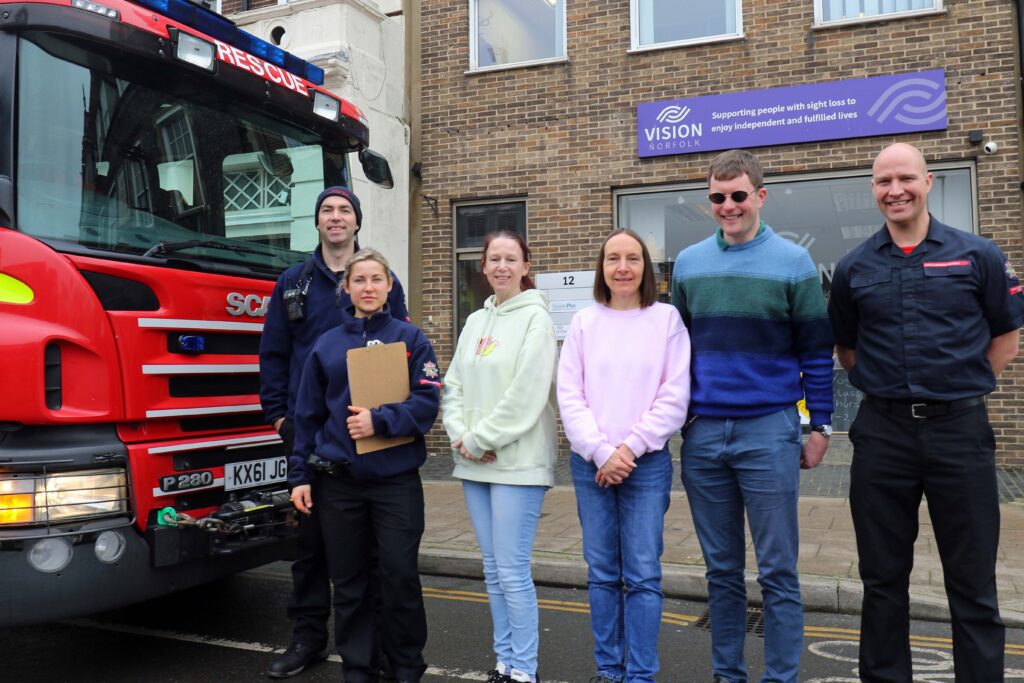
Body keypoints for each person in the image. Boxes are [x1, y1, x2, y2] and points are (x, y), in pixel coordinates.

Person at [828, 142, 1024, 682]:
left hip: (959, 432)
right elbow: (847, 350)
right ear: (873, 189)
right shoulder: (853, 267)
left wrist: (960, 386)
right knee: (883, 579)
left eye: (905, 178)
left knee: (973, 581)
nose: (895, 190)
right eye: (883, 181)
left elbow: (1006, 336)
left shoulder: (977, 254)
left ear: (928, 181)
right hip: (882, 435)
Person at [671, 148, 834, 683]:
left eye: (738, 195)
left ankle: (781, 678)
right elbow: (677, 348)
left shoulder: (793, 261)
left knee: (779, 571)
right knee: (721, 572)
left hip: (770, 428)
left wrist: (821, 424)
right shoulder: (690, 263)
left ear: (760, 196)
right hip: (704, 436)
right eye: (718, 197)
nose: (728, 205)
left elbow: (816, 350)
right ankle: (728, 675)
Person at [259, 186, 408, 679]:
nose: (336, 218)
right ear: (317, 222)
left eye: (345, 210)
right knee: (310, 545)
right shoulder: (292, 283)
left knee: (365, 552)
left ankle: (380, 650)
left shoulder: (382, 281)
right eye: (328, 210)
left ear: (357, 222)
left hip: (367, 438)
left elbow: (399, 357)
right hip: (308, 434)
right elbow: (274, 355)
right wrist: (280, 417)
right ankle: (308, 638)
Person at [290, 248, 440, 683]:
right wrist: (300, 475)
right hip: (339, 484)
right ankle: (359, 668)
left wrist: (381, 420)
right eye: (360, 280)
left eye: (377, 279)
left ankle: (406, 666)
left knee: (398, 577)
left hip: (396, 482)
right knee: (350, 584)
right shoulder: (327, 344)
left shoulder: (411, 340)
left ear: (390, 286)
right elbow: (307, 417)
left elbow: (428, 402)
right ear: (347, 288)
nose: (369, 287)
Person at [557, 228, 691, 683]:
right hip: (590, 463)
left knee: (642, 576)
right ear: (602, 267)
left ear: (645, 268)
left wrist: (627, 450)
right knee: (602, 575)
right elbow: (569, 396)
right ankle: (610, 671)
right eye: (613, 258)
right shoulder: (583, 322)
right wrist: (600, 452)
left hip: (645, 464)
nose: (622, 267)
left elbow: (674, 397)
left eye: (632, 258)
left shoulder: (666, 319)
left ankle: (640, 676)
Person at [441, 231, 558, 683]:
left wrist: (481, 438)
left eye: (511, 259)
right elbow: (453, 386)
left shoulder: (537, 320)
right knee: (492, 571)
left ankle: (525, 671)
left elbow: (526, 393)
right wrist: (462, 436)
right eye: (494, 259)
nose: (502, 266)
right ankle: (504, 663)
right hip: (473, 460)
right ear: (484, 267)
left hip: (518, 463)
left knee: (512, 571)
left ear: (526, 267)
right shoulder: (474, 321)